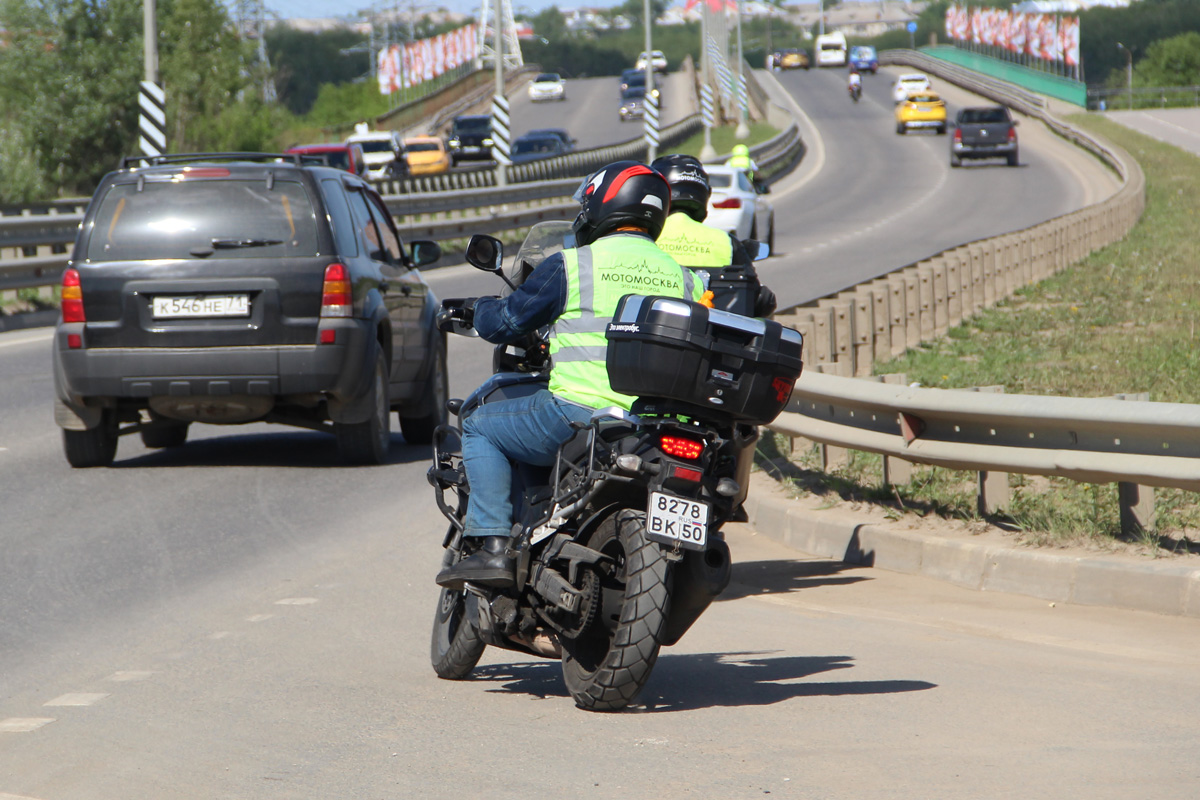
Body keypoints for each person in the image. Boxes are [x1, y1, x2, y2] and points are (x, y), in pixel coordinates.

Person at [436, 161, 704, 590]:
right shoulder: (686, 279)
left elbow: (507, 321)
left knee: (479, 426)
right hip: (648, 426)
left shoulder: (574, 264)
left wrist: (477, 309)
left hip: (575, 413)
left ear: (604, 205)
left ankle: (493, 547)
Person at [650, 153, 776, 318]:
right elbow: (758, 299)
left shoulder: (644, 239)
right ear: (705, 194)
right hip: (712, 339)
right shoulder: (727, 243)